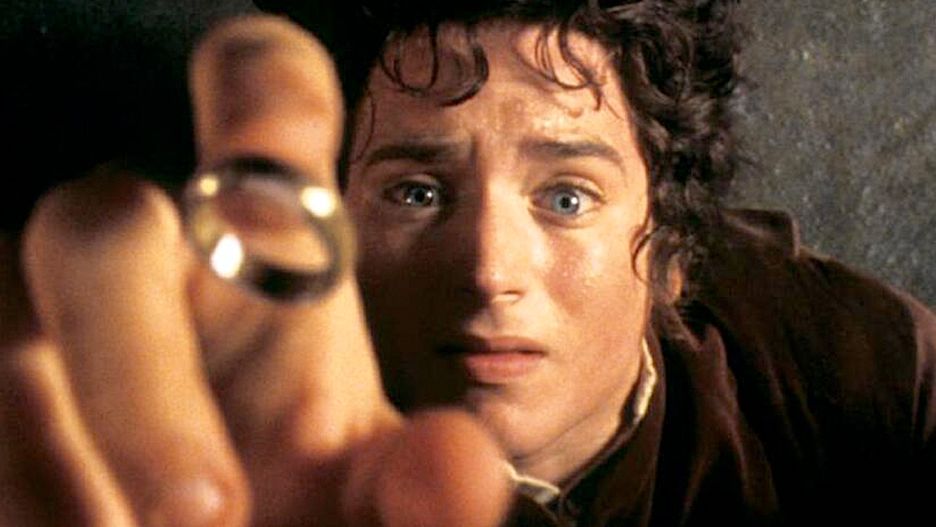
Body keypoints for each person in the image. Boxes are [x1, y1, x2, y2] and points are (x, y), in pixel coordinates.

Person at [0, 1, 933, 526]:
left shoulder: (866, 379)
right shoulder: (245, 436)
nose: (489, 271)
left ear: (674, 256)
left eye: (566, 198)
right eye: (415, 192)